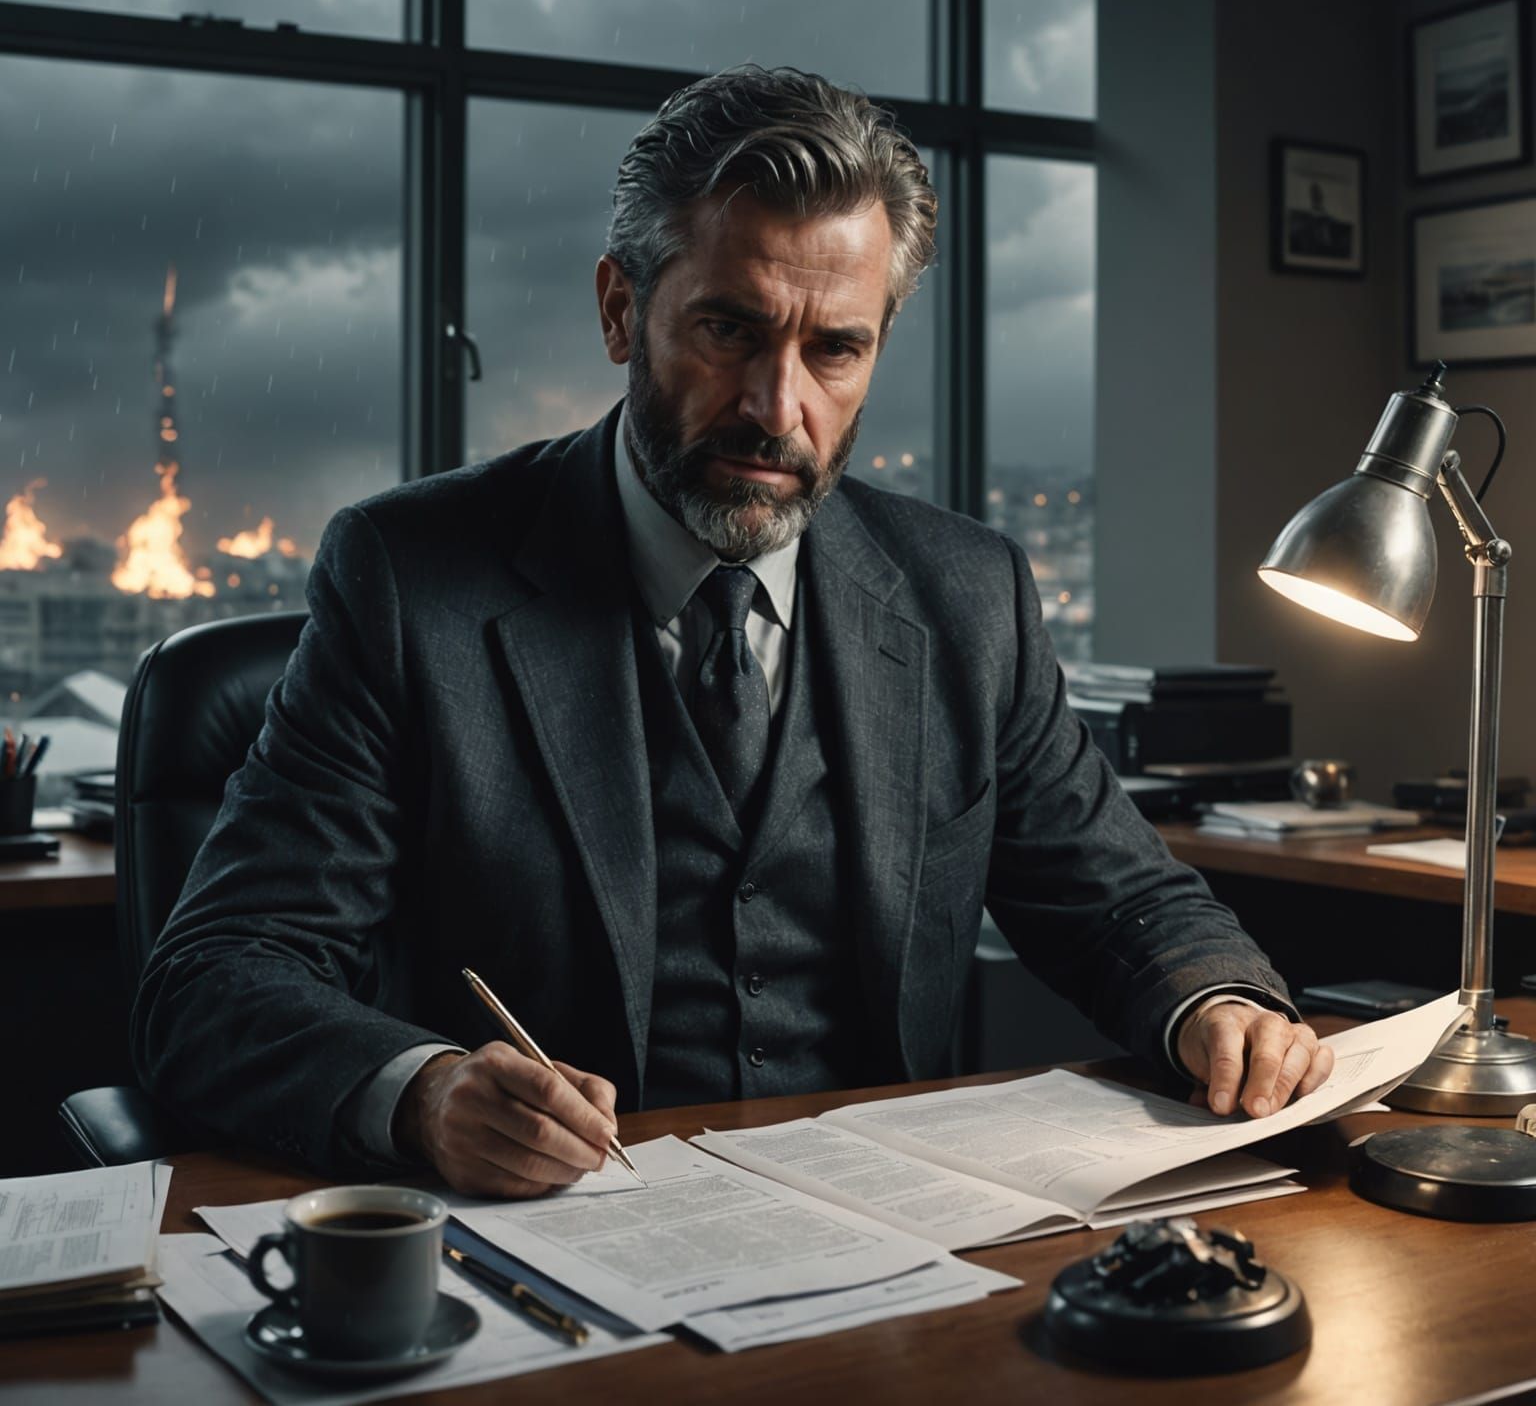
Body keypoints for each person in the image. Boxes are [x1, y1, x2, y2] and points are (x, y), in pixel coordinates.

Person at [132, 65, 1332, 1199]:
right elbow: (216, 980)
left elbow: (1119, 901)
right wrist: (428, 1093)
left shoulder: (968, 594)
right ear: (621, 310)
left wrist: (1212, 1006)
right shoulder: (410, 580)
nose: (778, 407)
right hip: (558, 1252)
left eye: (835, 349)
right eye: (730, 332)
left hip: (895, 1239)